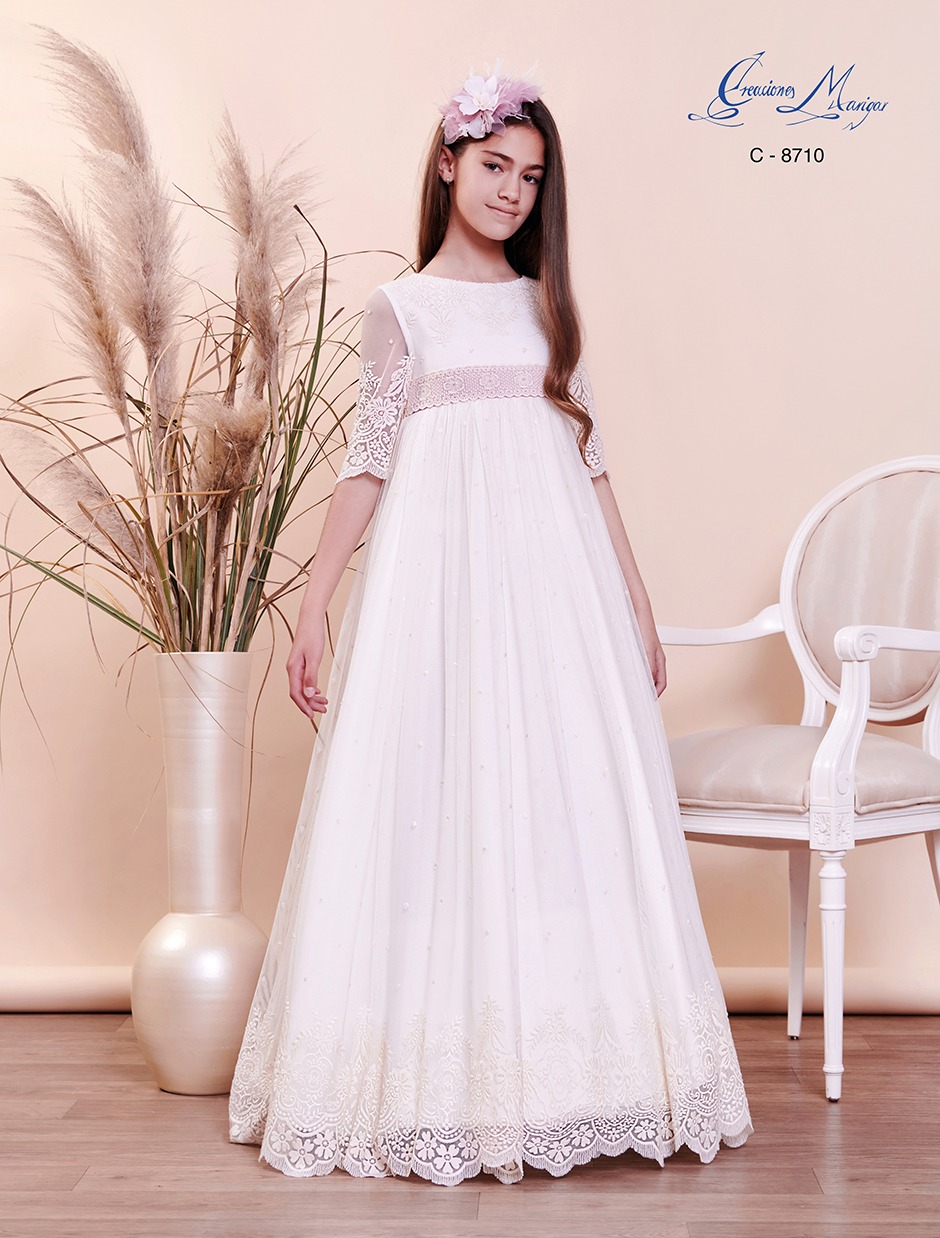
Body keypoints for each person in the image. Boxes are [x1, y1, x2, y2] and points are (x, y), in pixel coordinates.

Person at [228, 67, 752, 1186]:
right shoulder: (402, 308)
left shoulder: (546, 306)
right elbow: (369, 464)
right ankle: (435, 1077)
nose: (512, 190)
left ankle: (575, 1074)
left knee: (560, 796)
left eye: (532, 176)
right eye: (495, 165)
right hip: (437, 587)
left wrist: (635, 597)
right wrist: (314, 603)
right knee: (439, 794)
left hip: (556, 590)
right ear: (448, 164)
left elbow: (589, 460)